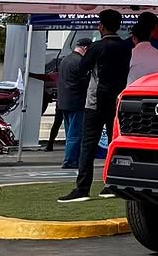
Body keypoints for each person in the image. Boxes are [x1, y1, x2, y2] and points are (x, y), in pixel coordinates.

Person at [58, 10, 131, 204]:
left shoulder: (97, 47)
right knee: (114, 142)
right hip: (117, 99)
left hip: (96, 100)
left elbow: (82, 69)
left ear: (101, 26)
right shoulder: (126, 47)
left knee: (88, 144)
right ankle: (112, 184)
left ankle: (83, 188)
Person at [55, 36, 93, 170]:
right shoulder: (80, 62)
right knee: (75, 134)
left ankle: (71, 158)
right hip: (77, 102)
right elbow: (84, 83)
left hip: (64, 101)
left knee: (69, 132)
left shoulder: (65, 59)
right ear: (85, 48)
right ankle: (70, 161)